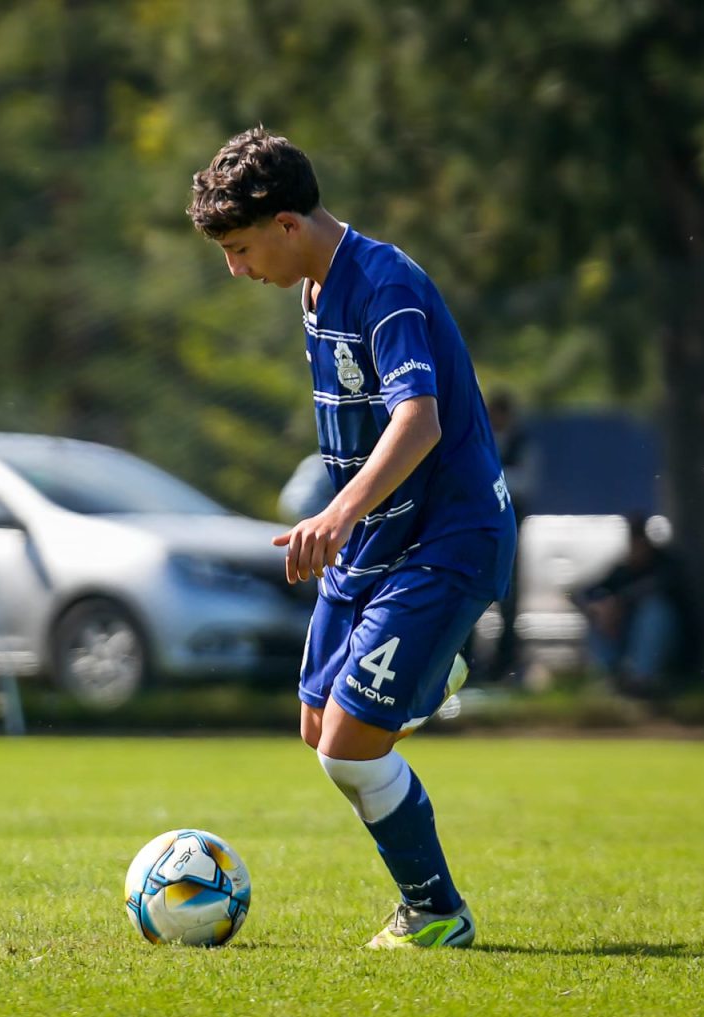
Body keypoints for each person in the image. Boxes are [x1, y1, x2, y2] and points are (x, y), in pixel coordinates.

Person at [188, 127, 516, 949]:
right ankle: (430, 675)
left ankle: (437, 913)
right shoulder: (313, 288)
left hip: (449, 536)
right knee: (317, 727)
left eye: (239, 249)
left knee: (349, 749)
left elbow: (419, 421)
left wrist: (333, 515)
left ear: (287, 224)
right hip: (377, 540)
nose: (236, 269)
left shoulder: (383, 284)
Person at [574, 513, 689, 697]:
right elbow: (582, 592)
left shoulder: (667, 565)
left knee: (656, 609)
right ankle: (612, 676)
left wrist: (619, 603)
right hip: (626, 642)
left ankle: (642, 679)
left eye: (640, 540)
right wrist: (598, 607)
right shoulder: (624, 571)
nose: (637, 546)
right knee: (599, 607)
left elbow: (658, 585)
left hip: (671, 649)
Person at [483, 389, 540, 681]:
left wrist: (487, 475)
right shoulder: (481, 439)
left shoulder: (522, 443)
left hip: (509, 529)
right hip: (480, 528)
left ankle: (505, 661)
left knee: (509, 596)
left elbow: (524, 484)